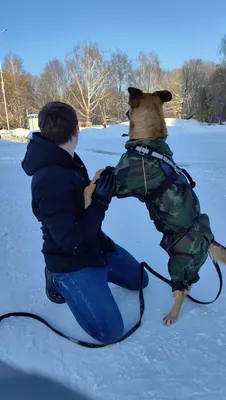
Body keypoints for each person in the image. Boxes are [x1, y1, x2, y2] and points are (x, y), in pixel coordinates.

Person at [21, 102, 149, 344]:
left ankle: (96, 278)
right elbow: (70, 240)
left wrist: (99, 184)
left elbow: (76, 200)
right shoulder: (49, 179)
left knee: (140, 280)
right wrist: (100, 202)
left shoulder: (65, 159)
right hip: (70, 259)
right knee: (110, 332)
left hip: (93, 245)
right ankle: (58, 280)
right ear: (77, 130)